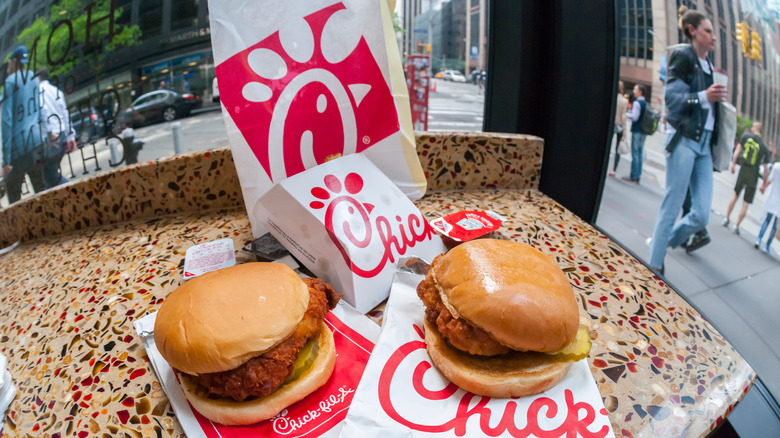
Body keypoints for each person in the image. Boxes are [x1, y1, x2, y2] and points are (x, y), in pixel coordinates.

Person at [647, 7, 727, 274]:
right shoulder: (684, 55)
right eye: (708, 31)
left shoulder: (707, 65)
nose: (713, 37)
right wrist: (704, 96)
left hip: (704, 146)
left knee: (702, 214)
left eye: (714, 32)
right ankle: (653, 266)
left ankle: (663, 242)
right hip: (683, 139)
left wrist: (714, 144)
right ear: (693, 31)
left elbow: (710, 111)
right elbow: (673, 99)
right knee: (672, 204)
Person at [1, 45, 48, 204]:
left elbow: (6, 121)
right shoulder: (34, 79)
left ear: (14, 61)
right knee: (42, 191)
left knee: (14, 197)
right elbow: (39, 110)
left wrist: (6, 159)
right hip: (36, 142)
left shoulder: (9, 82)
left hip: (18, 149)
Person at [722, 122, 770, 234]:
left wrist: (733, 164)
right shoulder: (764, 146)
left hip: (743, 170)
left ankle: (726, 218)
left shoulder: (746, 136)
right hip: (753, 175)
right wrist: (763, 184)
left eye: (753, 126)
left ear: (757, 128)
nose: (752, 128)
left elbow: (737, 151)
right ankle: (736, 225)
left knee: (735, 195)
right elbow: (765, 169)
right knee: (746, 202)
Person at [37, 67, 77, 189]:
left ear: (38, 77)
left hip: (51, 136)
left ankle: (73, 189)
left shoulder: (38, 92)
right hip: (62, 133)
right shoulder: (56, 91)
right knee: (49, 176)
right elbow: (65, 114)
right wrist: (71, 137)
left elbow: (43, 113)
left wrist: (50, 133)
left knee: (50, 175)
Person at [624, 84, 648, 183]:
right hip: (643, 131)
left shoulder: (637, 103)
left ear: (640, 92)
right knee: (640, 152)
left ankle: (633, 176)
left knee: (635, 153)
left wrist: (626, 114)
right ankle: (637, 176)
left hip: (637, 130)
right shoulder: (645, 103)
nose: (633, 91)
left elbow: (635, 117)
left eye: (635, 89)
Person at [755, 161, 779, 253]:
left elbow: (770, 180)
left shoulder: (776, 167)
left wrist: (763, 187)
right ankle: (767, 246)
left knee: (767, 220)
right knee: (775, 226)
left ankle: (758, 239)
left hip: (772, 198)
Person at [608, 81, 628, 177]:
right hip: (619, 125)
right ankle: (613, 170)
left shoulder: (611, 97)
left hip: (611, 124)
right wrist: (625, 131)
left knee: (607, 146)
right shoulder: (624, 101)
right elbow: (624, 117)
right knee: (617, 149)